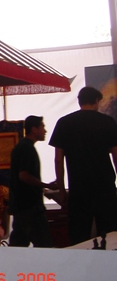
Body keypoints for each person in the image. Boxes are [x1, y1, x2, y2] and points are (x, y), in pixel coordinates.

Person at [49, 86, 117, 245]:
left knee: (79, 237)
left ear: (79, 101)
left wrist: (61, 190)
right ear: (96, 101)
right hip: (105, 188)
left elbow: (58, 160)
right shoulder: (107, 122)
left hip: (78, 189)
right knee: (110, 235)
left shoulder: (64, 123)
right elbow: (116, 156)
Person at [8, 116, 57, 247]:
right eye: (42, 127)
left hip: (22, 205)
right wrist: (45, 185)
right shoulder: (27, 148)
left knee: (19, 244)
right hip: (29, 206)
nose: (45, 131)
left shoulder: (22, 147)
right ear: (34, 129)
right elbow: (24, 176)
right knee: (44, 244)